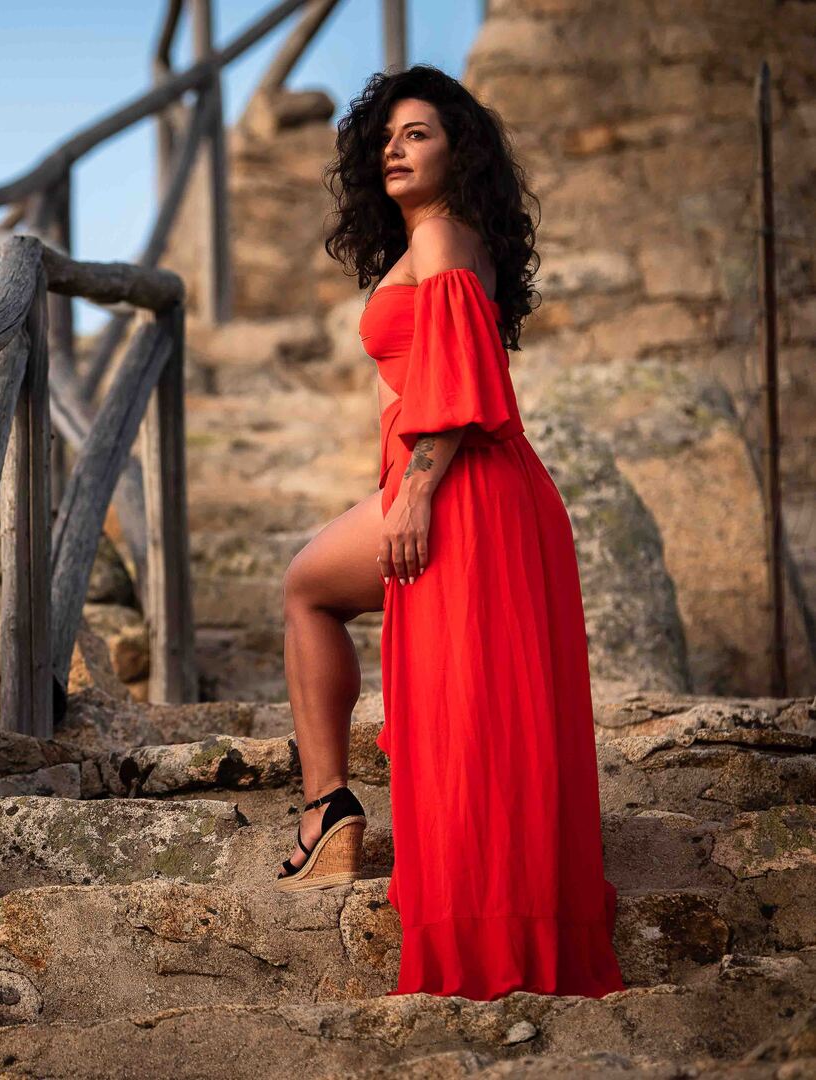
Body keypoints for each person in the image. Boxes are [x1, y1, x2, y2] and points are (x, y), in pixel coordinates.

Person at [272, 64, 626, 1001]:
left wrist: (418, 491)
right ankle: (333, 815)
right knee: (325, 596)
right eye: (385, 136)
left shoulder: (445, 232)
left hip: (464, 484)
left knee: (452, 689)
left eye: (417, 133)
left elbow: (465, 376)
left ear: (456, 150)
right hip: (459, 480)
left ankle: (340, 824)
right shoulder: (430, 239)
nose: (394, 147)